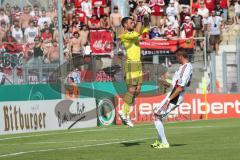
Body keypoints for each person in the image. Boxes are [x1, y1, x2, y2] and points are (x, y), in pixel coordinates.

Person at [151, 48, 193, 149]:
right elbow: (176, 84)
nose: (176, 59)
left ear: (181, 57)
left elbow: (180, 87)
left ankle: (164, 142)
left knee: (156, 115)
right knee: (158, 116)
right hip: (174, 93)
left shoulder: (186, 68)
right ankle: (159, 141)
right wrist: (166, 82)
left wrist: (169, 99)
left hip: (175, 95)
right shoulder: (184, 67)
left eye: (176, 57)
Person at [117, 14, 143, 127]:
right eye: (130, 22)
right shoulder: (124, 35)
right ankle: (123, 111)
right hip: (131, 64)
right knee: (132, 89)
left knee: (137, 90)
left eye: (133, 22)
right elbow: (138, 32)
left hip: (138, 63)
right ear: (125, 25)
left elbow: (140, 30)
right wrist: (139, 19)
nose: (132, 23)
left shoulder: (133, 33)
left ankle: (125, 114)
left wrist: (142, 18)